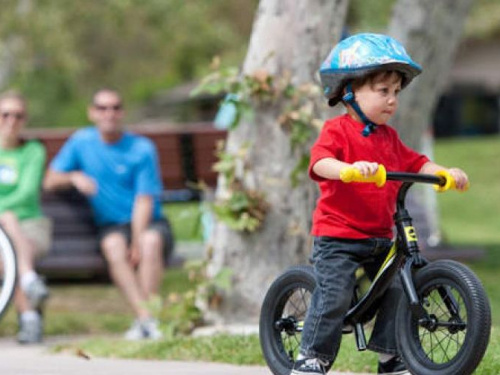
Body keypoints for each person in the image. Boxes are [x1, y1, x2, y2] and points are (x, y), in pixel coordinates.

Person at [291, 33, 469, 375]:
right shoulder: (337, 131)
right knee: (335, 295)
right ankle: (310, 357)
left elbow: (416, 163)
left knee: (401, 288)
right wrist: (348, 170)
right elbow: (319, 163)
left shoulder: (389, 137)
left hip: (378, 237)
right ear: (349, 92)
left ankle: (390, 357)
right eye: (382, 91)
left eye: (396, 93)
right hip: (338, 237)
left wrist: (444, 172)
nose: (391, 100)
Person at [44, 88, 173, 340]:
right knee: (114, 246)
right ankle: (146, 319)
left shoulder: (141, 148)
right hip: (111, 227)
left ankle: (146, 320)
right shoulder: (80, 142)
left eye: (115, 108)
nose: (109, 114)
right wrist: (73, 176)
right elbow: (50, 180)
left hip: (148, 222)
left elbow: (144, 199)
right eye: (102, 108)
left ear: (122, 113)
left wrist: (136, 238)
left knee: (149, 242)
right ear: (92, 113)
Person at [0, 92, 52, 344]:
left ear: (25, 120)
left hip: (30, 225)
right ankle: (29, 284)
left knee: (7, 248)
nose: (11, 120)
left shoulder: (33, 151)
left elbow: (27, 194)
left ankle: (29, 318)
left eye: (18, 115)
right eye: (5, 114)